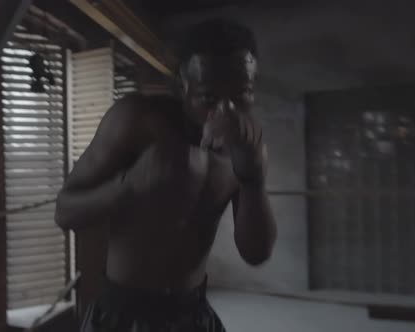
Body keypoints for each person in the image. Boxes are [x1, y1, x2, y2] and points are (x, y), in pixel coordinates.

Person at [55, 18, 277, 332]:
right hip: (122, 314)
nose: (226, 112)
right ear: (181, 88)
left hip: (193, 314)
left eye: (241, 96)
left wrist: (254, 180)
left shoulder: (245, 146)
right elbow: (65, 211)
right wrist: (129, 187)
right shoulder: (135, 121)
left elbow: (256, 253)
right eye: (209, 98)